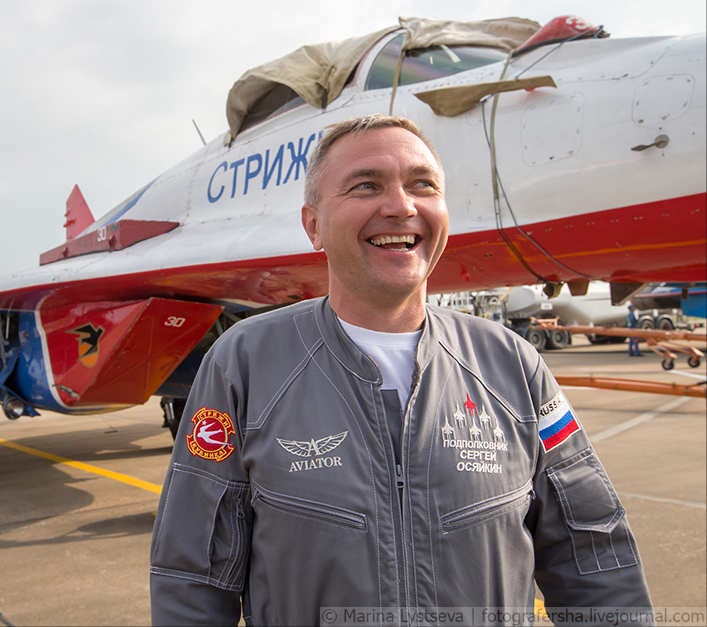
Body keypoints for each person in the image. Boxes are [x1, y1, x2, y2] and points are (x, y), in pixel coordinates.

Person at [149, 115, 653, 625]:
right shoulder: (244, 364)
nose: (401, 206)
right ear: (313, 225)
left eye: (422, 185)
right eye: (366, 186)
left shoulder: (513, 365)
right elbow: (193, 573)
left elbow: (592, 553)